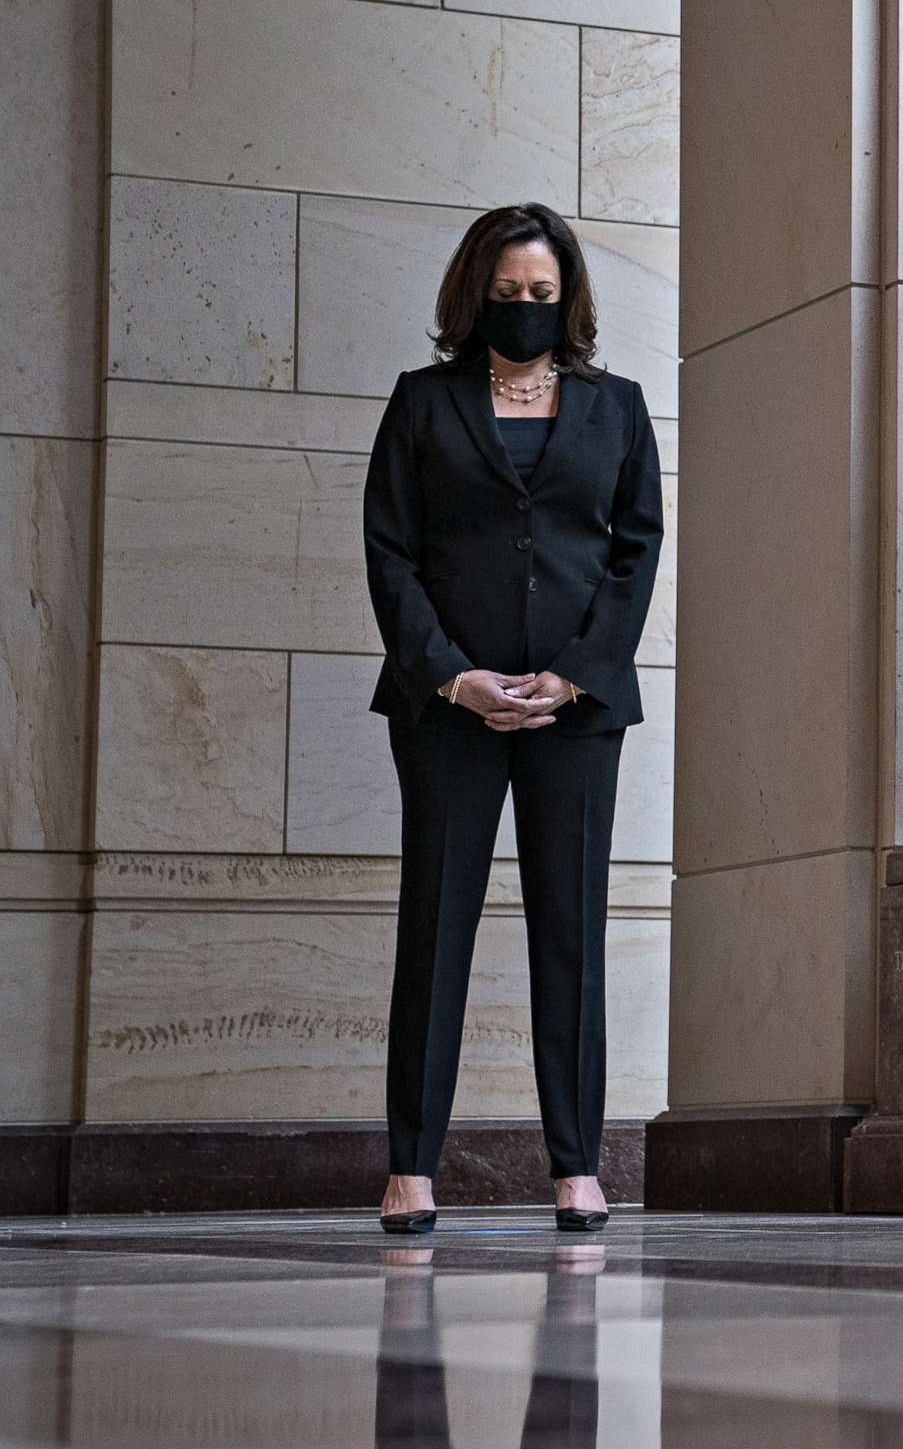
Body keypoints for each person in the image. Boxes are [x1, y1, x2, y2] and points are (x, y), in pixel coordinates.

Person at [361, 202, 664, 1235]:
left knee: (570, 933)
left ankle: (576, 1165)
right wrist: (450, 675)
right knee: (435, 927)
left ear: (567, 299)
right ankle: (411, 1167)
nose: (525, 309)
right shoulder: (422, 403)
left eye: (541, 295)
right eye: (507, 294)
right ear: (474, 295)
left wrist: (576, 674)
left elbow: (635, 552)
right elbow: (390, 552)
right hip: (447, 709)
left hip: (575, 711)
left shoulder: (616, 408)